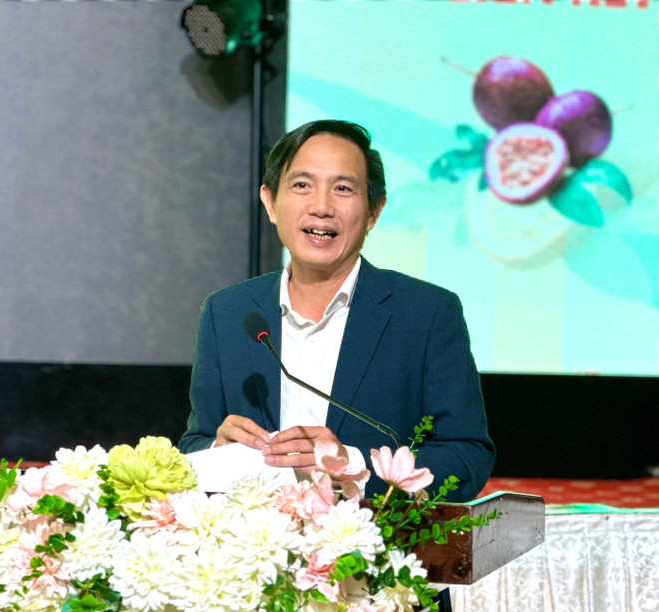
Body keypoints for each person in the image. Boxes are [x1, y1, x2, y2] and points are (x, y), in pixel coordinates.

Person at [179, 119, 495, 503]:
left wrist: (353, 466)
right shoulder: (227, 313)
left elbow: (466, 458)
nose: (321, 207)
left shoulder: (426, 314)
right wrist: (216, 449)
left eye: (343, 189)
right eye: (301, 185)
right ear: (270, 202)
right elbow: (194, 443)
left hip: (372, 551)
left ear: (374, 211)